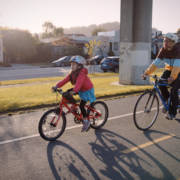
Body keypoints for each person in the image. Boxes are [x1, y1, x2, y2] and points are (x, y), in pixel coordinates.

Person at [52, 55, 96, 132]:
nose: (71, 66)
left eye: (73, 64)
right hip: (79, 89)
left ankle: (86, 122)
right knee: (66, 93)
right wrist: (56, 86)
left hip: (86, 90)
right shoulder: (72, 73)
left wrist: (74, 91)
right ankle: (74, 107)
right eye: (71, 64)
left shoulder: (81, 73)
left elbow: (79, 83)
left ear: (79, 66)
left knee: (82, 106)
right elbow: (65, 80)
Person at [142, 33, 180, 120]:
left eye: (167, 41)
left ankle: (172, 113)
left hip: (179, 69)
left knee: (174, 89)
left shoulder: (178, 50)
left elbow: (177, 66)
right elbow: (155, 63)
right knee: (160, 84)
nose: (165, 42)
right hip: (170, 69)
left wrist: (173, 77)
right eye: (164, 40)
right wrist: (146, 73)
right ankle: (167, 102)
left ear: (173, 42)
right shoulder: (163, 50)